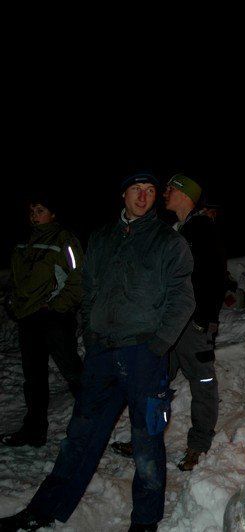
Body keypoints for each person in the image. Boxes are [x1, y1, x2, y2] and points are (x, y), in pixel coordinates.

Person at [0, 172, 195, 532]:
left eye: (150, 191)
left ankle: (145, 521)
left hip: (144, 357)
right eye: (136, 189)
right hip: (103, 355)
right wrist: (91, 335)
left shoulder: (168, 242)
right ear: (123, 194)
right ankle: (44, 509)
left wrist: (157, 345)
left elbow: (182, 300)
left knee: (147, 443)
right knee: (79, 437)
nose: (143, 197)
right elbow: (88, 289)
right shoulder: (102, 238)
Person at [110, 173, 226, 472]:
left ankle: (198, 445)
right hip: (168, 323)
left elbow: (214, 277)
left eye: (170, 190)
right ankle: (144, 439)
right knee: (154, 380)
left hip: (193, 325)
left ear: (185, 195)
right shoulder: (176, 229)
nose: (164, 194)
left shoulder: (202, 229)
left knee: (202, 381)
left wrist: (204, 320)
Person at [2, 198, 84, 448]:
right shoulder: (23, 242)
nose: (34, 216)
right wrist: (13, 302)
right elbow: (16, 278)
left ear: (53, 214)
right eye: (32, 211)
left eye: (40, 211)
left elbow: (78, 276)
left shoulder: (63, 239)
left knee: (72, 371)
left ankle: (91, 425)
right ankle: (34, 430)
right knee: (33, 378)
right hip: (28, 318)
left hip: (54, 318)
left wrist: (58, 306)